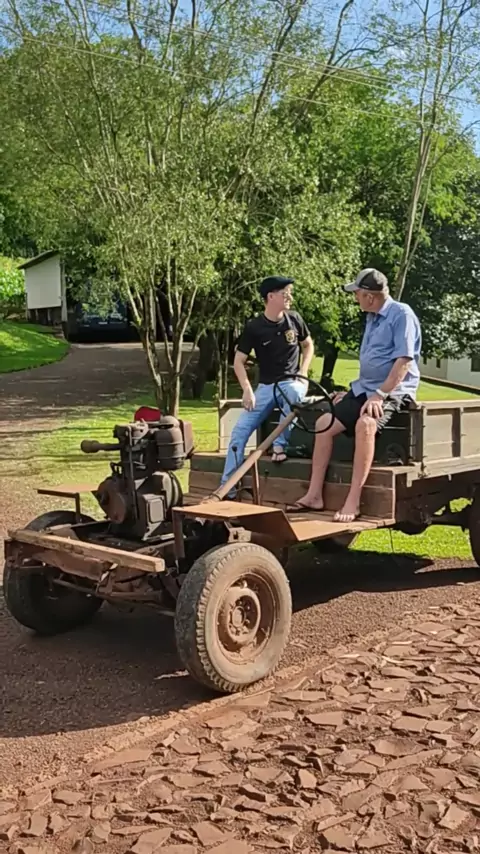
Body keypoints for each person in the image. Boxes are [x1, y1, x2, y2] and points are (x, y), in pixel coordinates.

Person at [293, 268, 421, 522]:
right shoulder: (372, 316)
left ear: (370, 297)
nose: (355, 298)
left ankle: (353, 501)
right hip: (365, 389)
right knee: (323, 423)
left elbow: (404, 361)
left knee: (366, 424)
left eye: (358, 293)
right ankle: (314, 495)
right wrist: (353, 392)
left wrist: (380, 395)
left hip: (393, 390)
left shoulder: (402, 315)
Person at [220, 275, 315, 495]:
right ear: (271, 297)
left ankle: (279, 444)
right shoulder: (254, 327)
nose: (290, 297)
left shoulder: (295, 319)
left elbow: (308, 345)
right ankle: (227, 487)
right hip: (266, 387)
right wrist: (247, 389)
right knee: (239, 431)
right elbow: (238, 361)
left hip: (292, 382)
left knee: (293, 392)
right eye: (285, 293)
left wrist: (303, 371)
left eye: (290, 293)